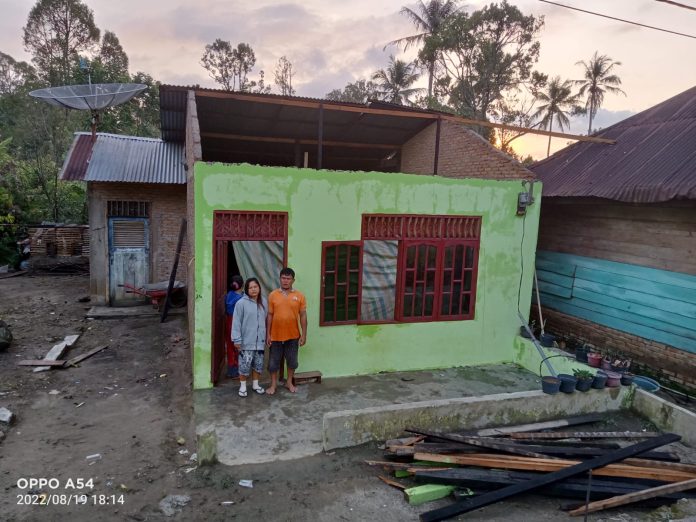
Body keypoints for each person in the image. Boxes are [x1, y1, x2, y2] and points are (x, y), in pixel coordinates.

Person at [266, 267, 307, 395]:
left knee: (292, 361)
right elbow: (270, 315)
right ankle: (273, 385)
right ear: (280, 279)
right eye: (283, 278)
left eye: (288, 278)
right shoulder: (273, 295)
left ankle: (289, 382)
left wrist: (304, 334)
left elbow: (303, 315)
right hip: (275, 335)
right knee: (273, 362)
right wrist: (268, 334)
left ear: (293, 280)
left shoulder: (299, 296)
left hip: (293, 335)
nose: (285, 281)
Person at [231, 278, 267, 397]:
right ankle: (242, 386)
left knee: (258, 364)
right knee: (244, 365)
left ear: (259, 288)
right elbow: (236, 322)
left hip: (259, 341)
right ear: (246, 290)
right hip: (246, 341)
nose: (253, 289)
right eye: (250, 288)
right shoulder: (241, 303)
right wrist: (236, 339)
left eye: (255, 287)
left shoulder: (264, 302)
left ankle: (256, 385)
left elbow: (265, 320)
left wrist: (266, 336)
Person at [225, 275, 244, 378]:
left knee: (230, 345)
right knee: (238, 346)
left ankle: (231, 369)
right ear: (242, 285)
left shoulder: (229, 294)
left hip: (229, 321)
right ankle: (236, 370)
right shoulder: (241, 299)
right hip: (237, 322)